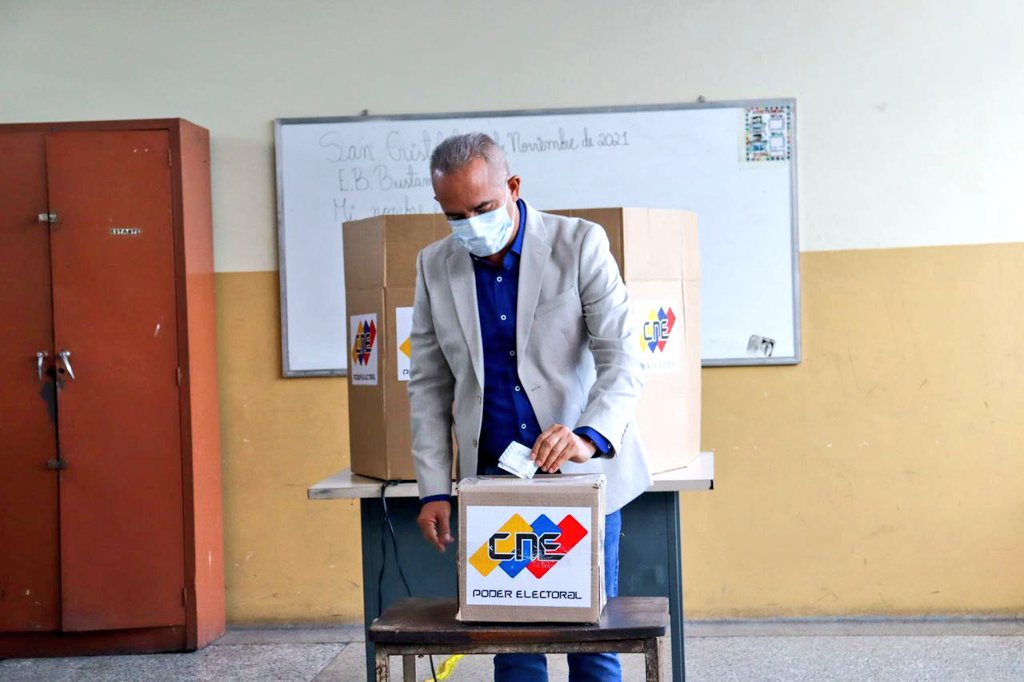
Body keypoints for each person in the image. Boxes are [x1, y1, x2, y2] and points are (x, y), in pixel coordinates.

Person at [408, 132, 651, 682]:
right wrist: (433, 489)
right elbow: (426, 385)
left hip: (578, 474)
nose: (470, 225)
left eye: (483, 207)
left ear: (513, 187)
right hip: (494, 480)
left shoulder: (580, 243)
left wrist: (589, 435)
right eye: (454, 215)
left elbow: (623, 357)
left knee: (590, 639)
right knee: (512, 641)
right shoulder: (434, 265)